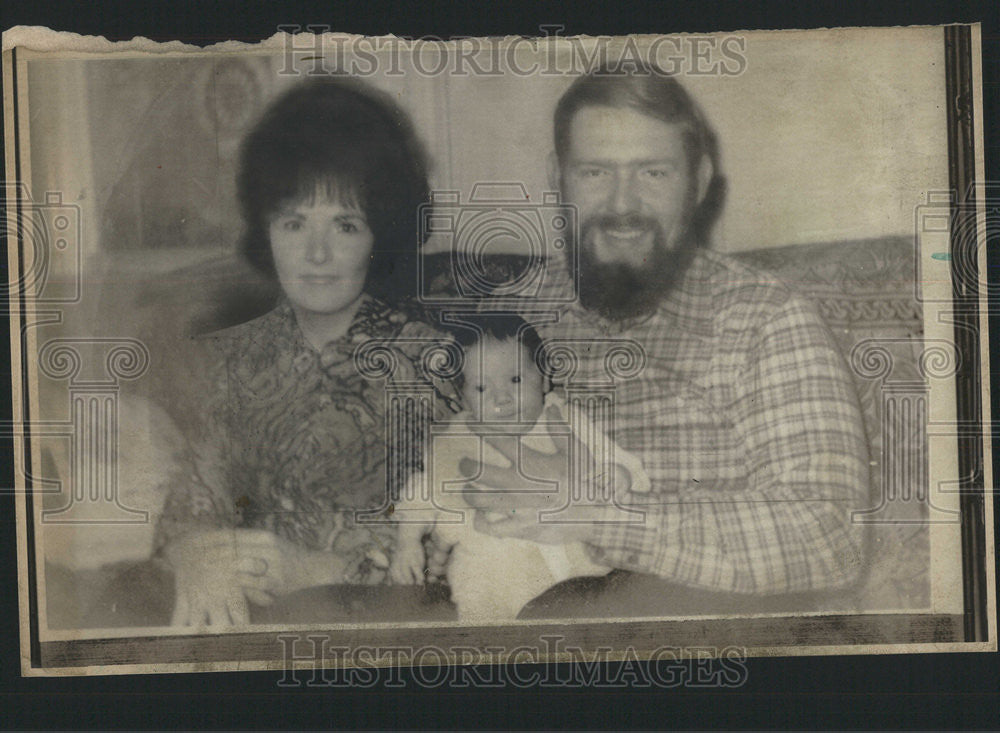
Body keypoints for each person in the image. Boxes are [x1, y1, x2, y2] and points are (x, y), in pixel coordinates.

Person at [458, 64, 871, 608]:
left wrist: (599, 514)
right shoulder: (508, 314)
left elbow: (830, 535)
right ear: (557, 180)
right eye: (595, 173)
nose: (622, 204)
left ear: (697, 183)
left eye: (652, 173)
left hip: (687, 626)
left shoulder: (765, 318)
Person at [155, 77, 458, 627]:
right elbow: (189, 510)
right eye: (294, 223)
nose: (316, 254)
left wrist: (316, 571)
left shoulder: (431, 364)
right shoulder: (236, 364)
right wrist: (194, 556)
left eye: (345, 224)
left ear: (379, 234)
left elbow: (455, 556)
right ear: (266, 231)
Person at [389, 313, 650, 620]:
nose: (502, 397)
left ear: (544, 378)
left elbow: (620, 462)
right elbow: (423, 491)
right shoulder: (457, 440)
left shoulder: (565, 421)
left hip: (576, 567)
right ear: (462, 399)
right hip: (489, 570)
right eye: (482, 388)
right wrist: (408, 543)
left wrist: (618, 474)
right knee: (489, 626)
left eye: (515, 379)